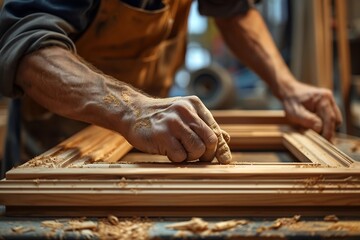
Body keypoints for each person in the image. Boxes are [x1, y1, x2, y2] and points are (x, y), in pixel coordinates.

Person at [0, 0, 342, 173]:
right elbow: (24, 42)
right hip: (62, 138)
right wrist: (133, 109)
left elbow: (233, 11)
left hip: (156, 133)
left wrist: (287, 86)